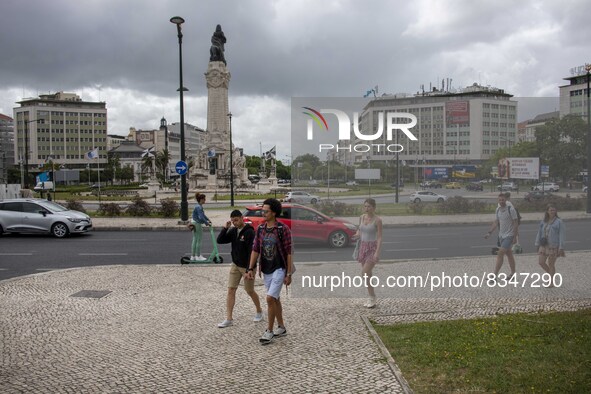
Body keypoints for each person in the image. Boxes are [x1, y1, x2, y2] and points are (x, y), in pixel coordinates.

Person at [246, 198, 293, 345]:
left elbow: (289, 252)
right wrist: (250, 268)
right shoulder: (260, 229)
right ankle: (282, 327)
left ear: (273, 213)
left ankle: (269, 331)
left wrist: (289, 273)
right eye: (262, 211)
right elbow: (255, 249)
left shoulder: (282, 229)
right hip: (266, 269)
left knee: (269, 298)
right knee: (275, 298)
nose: (263, 213)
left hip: (280, 268)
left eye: (265, 211)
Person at [216, 210, 263, 328]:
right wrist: (225, 228)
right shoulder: (233, 231)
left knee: (249, 291)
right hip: (236, 265)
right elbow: (220, 240)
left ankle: (259, 311)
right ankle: (229, 318)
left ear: (242, 218)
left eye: (236, 220)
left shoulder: (249, 233)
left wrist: (250, 269)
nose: (234, 223)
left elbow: (251, 252)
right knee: (231, 290)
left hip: (247, 267)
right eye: (232, 221)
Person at [352, 198, 383, 308]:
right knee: (368, 275)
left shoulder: (377, 220)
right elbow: (360, 230)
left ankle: (372, 297)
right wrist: (357, 234)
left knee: (364, 273)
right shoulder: (361, 217)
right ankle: (372, 298)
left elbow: (379, 238)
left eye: (369, 206)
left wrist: (377, 253)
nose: (367, 208)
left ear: (374, 207)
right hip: (363, 247)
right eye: (365, 206)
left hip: (372, 248)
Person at [484, 193, 519, 279]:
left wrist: (515, 237)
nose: (501, 201)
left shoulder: (511, 209)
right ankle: (513, 274)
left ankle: (494, 275)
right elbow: (496, 222)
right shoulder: (498, 210)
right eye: (500, 200)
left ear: (506, 200)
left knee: (500, 253)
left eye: (503, 200)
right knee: (509, 255)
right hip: (501, 236)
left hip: (509, 235)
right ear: (498, 200)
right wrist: (489, 232)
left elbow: (516, 223)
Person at [534, 204, 566, 286]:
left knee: (551, 264)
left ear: (556, 211)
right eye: (550, 210)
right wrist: (537, 244)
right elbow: (539, 233)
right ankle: (551, 275)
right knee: (541, 262)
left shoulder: (559, 222)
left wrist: (561, 247)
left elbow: (561, 235)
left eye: (554, 210)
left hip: (553, 246)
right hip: (543, 245)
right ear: (547, 211)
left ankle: (551, 282)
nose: (552, 212)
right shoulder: (543, 221)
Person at [189, 193, 211, 261]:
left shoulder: (198, 206)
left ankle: (193, 256)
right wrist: (207, 223)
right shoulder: (199, 207)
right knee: (198, 240)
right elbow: (201, 217)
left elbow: (203, 215)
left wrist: (208, 219)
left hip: (194, 222)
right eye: (204, 199)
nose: (205, 200)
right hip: (197, 224)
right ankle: (198, 256)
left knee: (195, 239)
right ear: (201, 200)